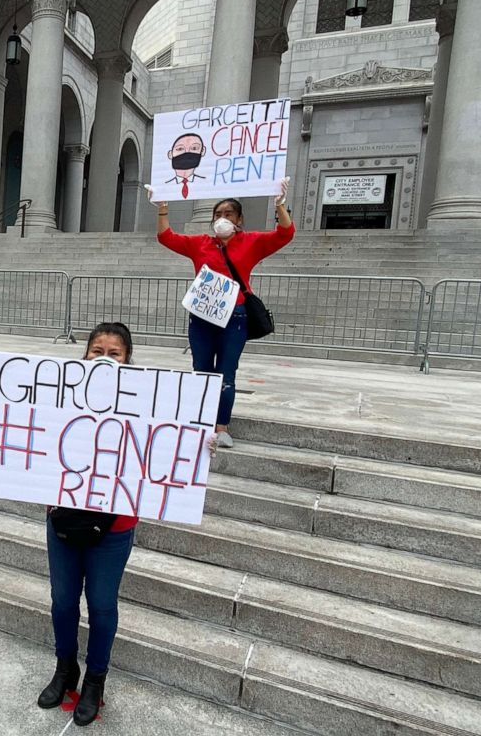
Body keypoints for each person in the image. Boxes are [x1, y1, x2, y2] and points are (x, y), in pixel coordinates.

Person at [38, 322, 138, 727]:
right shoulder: (58, 399)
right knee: (63, 600)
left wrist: (198, 445)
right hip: (63, 515)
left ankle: (96, 679)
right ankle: (66, 668)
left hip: (114, 524)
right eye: (97, 350)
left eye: (115, 353)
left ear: (129, 360)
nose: (105, 358)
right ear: (84, 357)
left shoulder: (145, 407)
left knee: (101, 604)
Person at [152, 179, 294, 447]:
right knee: (201, 371)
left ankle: (222, 426)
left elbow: (284, 234)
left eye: (228, 214)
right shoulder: (200, 244)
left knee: (226, 374)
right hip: (202, 318)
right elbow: (166, 237)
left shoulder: (250, 242)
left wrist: (280, 205)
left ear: (239, 219)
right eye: (218, 214)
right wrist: (162, 208)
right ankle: (201, 421)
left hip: (235, 318)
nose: (222, 218)